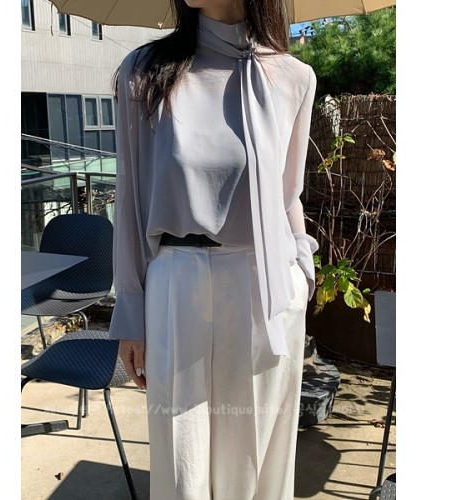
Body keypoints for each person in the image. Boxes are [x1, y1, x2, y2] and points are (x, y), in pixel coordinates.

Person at [109, 0, 319, 498]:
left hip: (267, 286)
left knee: (256, 462)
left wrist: (303, 271)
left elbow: (288, 194)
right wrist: (131, 310)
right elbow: (131, 197)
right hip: (177, 282)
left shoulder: (294, 78)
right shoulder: (145, 72)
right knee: (182, 464)